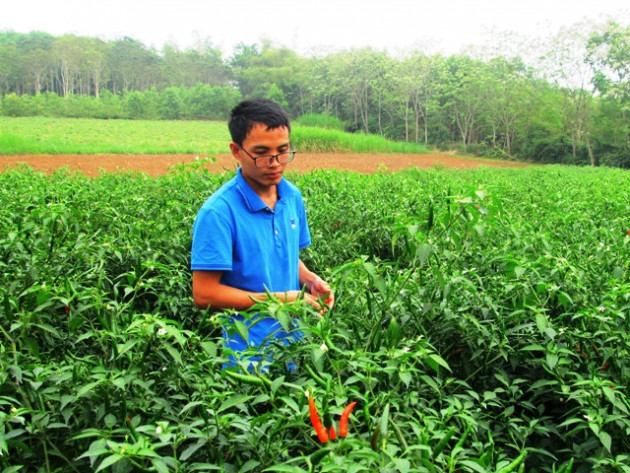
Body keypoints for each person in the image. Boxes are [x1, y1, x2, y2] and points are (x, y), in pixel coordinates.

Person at [191, 98, 333, 368]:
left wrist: (310, 280)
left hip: (297, 346)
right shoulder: (218, 213)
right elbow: (204, 294)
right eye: (261, 153)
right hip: (249, 357)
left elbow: (282, 255)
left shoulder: (291, 197)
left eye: (283, 151)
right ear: (236, 150)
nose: (275, 163)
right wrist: (284, 300)